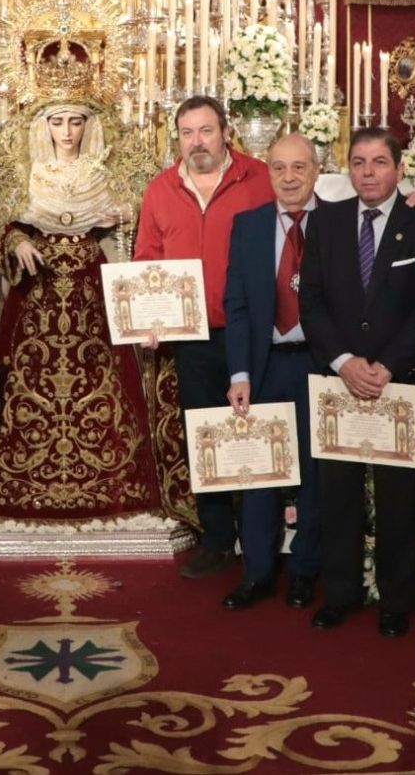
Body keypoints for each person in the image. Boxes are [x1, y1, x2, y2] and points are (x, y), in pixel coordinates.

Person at [0, 98, 166, 520]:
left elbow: (153, 212)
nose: (67, 132)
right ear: (42, 127)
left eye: (75, 122)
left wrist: (128, 214)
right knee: (26, 375)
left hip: (91, 283)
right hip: (36, 289)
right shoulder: (25, 171)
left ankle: (112, 476)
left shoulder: (103, 172)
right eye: (57, 122)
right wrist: (16, 240)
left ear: (90, 125)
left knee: (103, 374)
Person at [299, 127, 415, 638]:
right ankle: (340, 593)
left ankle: (396, 601)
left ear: (399, 168)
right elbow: (311, 301)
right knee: (338, 495)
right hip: (339, 382)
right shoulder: (326, 223)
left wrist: (387, 365)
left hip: (399, 385)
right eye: (358, 162)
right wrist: (343, 361)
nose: (368, 172)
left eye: (379, 162)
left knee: (399, 500)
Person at [135, 96, 276, 579]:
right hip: (192, 337)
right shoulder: (160, 189)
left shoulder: (260, 178)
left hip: (255, 333)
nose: (197, 141)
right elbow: (145, 263)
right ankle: (217, 539)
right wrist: (146, 319)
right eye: (187, 132)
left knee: (257, 431)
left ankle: (266, 540)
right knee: (206, 436)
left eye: (206, 131)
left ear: (226, 132)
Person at [221, 133, 325, 611]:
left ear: (316, 171)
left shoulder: (340, 223)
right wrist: (239, 373)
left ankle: (305, 571)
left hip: (322, 366)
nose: (288, 178)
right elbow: (237, 305)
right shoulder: (248, 226)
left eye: (299, 168)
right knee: (259, 474)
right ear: (269, 173)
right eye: (279, 168)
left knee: (317, 474)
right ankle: (258, 573)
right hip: (265, 367)